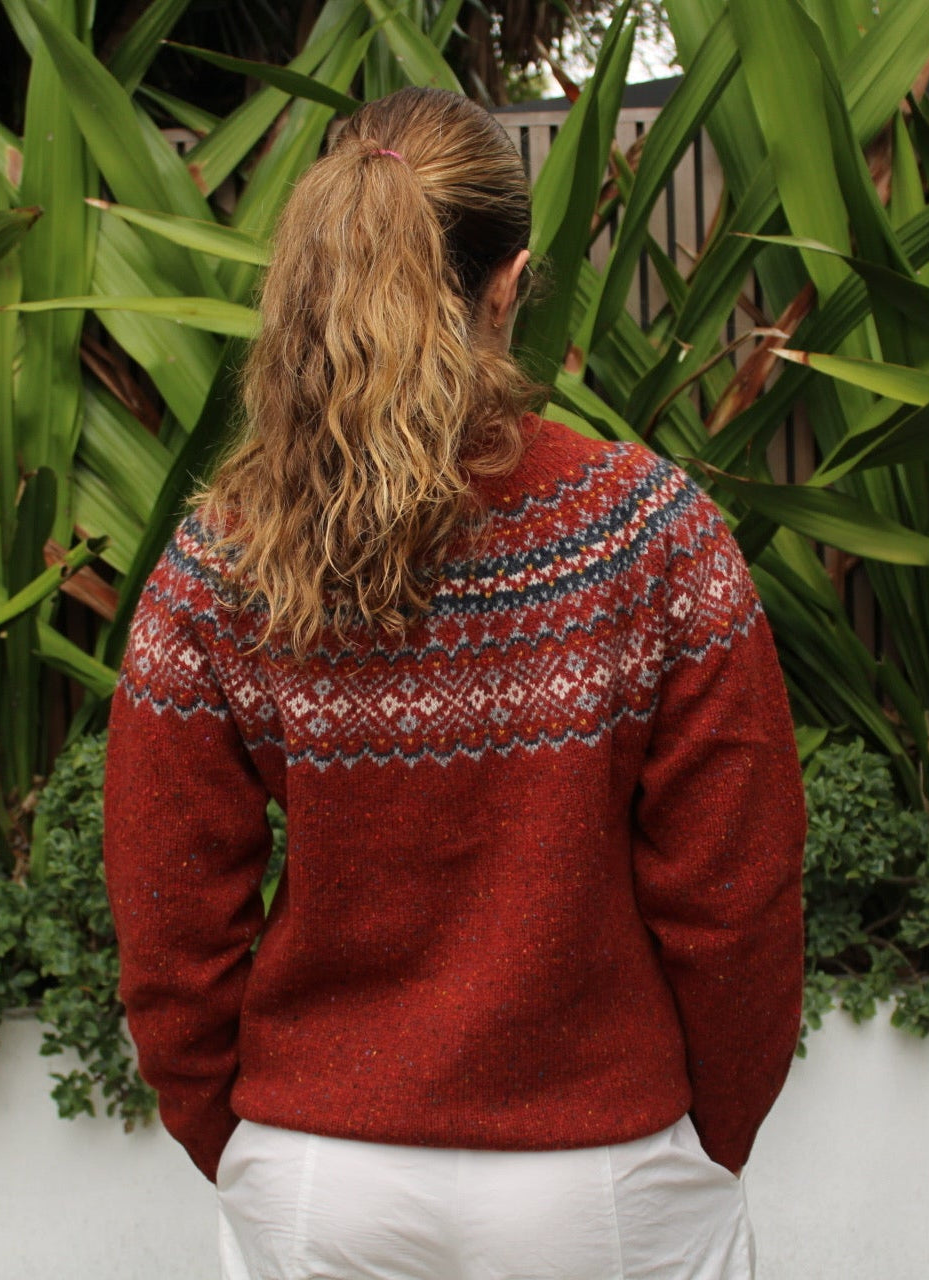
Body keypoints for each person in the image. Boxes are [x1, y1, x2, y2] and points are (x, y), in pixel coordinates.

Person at [103, 86, 806, 1280]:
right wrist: (705, 1140)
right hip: (604, 1174)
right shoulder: (650, 533)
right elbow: (736, 892)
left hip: (320, 1174)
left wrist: (255, 1149)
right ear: (510, 283)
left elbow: (169, 914)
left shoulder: (222, 562)